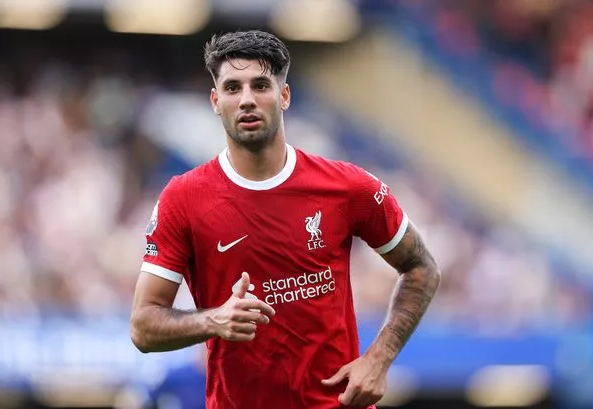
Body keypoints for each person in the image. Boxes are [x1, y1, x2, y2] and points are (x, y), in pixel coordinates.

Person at [130, 30, 441, 409]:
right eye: (232, 88)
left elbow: (421, 267)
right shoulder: (184, 198)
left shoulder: (348, 187)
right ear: (215, 101)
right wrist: (214, 320)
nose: (246, 100)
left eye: (260, 85)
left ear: (284, 96)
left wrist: (379, 359)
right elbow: (143, 325)